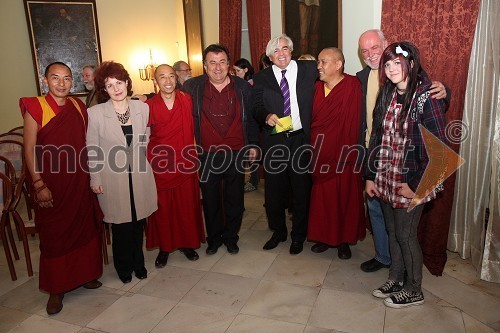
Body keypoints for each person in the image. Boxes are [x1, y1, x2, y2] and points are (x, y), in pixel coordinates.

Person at [357, 29, 448, 273]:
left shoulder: (418, 85)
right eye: (364, 51)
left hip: (409, 168)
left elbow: (431, 102)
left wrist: (444, 91)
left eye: (375, 48)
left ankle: (410, 283)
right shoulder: (364, 80)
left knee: (404, 234)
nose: (370, 54)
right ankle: (386, 261)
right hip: (378, 161)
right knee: (382, 220)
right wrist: (369, 174)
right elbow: (373, 129)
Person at [20, 62, 103, 315]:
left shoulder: (78, 106)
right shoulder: (35, 107)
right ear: (45, 80)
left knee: (84, 227)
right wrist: (38, 183)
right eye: (55, 78)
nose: (62, 83)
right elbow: (29, 149)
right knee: (55, 236)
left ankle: (85, 275)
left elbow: (85, 142)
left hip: (79, 181)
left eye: (67, 78)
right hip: (51, 185)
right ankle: (56, 289)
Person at [182, 44, 259, 255]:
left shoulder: (243, 88)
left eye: (222, 62)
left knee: (235, 198)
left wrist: (252, 144)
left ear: (229, 65)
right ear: (205, 66)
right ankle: (214, 239)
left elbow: (251, 118)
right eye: (212, 63)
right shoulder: (191, 87)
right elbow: (170, 98)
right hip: (206, 154)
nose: (218, 67)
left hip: (236, 152)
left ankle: (231, 237)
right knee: (210, 198)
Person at [86, 61, 157, 284]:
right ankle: (123, 266)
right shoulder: (95, 113)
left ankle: (139, 263)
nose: (116, 88)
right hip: (112, 176)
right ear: (103, 90)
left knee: (138, 222)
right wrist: (95, 178)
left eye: (119, 82)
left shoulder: (142, 108)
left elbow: (145, 138)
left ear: (127, 82)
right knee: (121, 225)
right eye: (109, 85)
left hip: (138, 174)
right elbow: (93, 148)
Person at [253, 34, 317, 255]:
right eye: (276, 51)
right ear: (270, 57)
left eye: (285, 49)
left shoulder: (309, 70)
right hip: (275, 141)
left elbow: (336, 76)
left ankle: (298, 236)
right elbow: (256, 106)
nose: (281, 54)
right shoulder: (261, 77)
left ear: (291, 51)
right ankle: (278, 231)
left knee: (301, 190)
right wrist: (266, 115)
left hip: (300, 139)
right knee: (274, 191)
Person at [307, 47, 366, 259]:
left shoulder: (354, 86)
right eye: (318, 63)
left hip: (345, 156)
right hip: (320, 153)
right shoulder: (314, 89)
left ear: (338, 64)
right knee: (323, 199)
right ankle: (323, 237)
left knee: (345, 199)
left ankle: (343, 241)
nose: (319, 67)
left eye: (323, 62)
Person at [145, 64, 205, 267]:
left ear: (177, 79)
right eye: (163, 77)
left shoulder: (187, 100)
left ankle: (187, 243)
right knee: (163, 209)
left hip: (185, 163)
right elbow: (143, 138)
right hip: (161, 166)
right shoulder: (149, 106)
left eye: (172, 76)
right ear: (155, 82)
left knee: (186, 206)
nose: (168, 80)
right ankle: (165, 247)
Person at [233, 58, 259, 192]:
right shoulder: (240, 84)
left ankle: (253, 181)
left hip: (252, 124)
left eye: (238, 70)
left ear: (246, 70)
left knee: (252, 154)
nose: (235, 73)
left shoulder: (252, 84)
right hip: (244, 124)